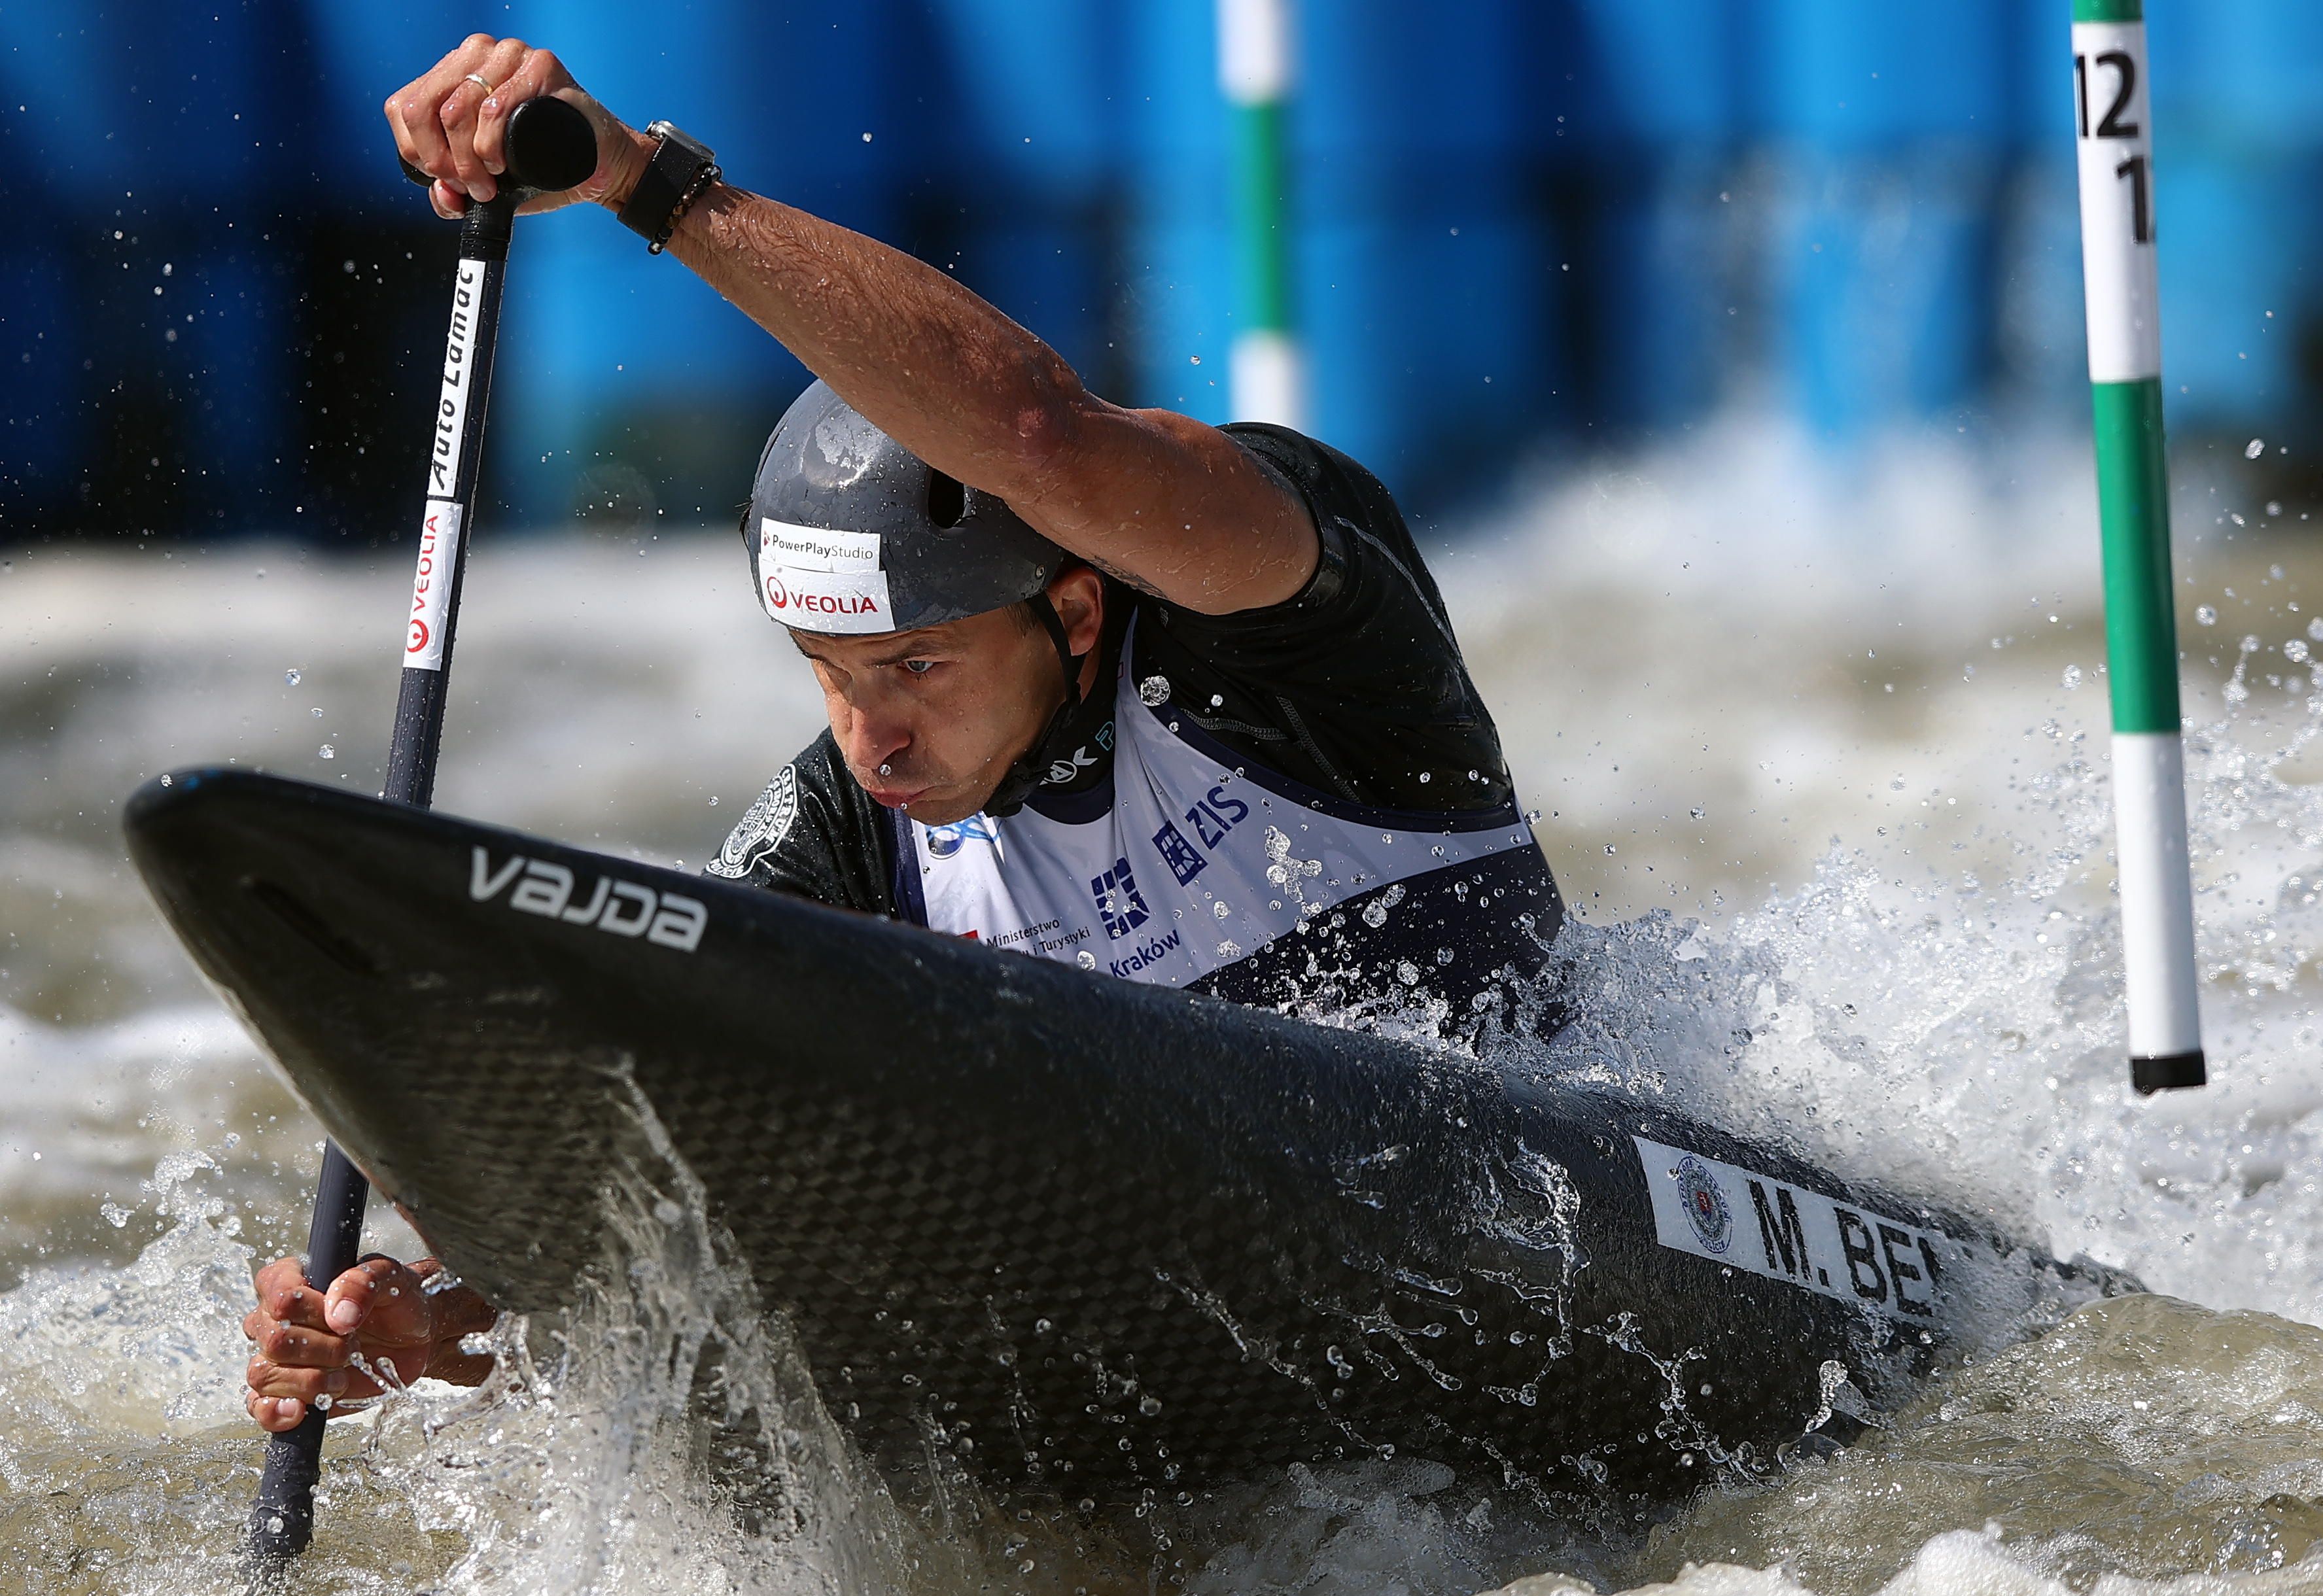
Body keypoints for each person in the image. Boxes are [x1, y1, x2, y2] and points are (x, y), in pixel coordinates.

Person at [242, 34, 1562, 1434]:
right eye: (827, 673)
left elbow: (1044, 438)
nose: (871, 741)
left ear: (1069, 608)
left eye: (916, 664)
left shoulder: (1285, 645)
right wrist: (430, 1323)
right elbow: (666, 1149)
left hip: (1527, 1199)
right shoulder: (841, 842)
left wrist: (647, 184)